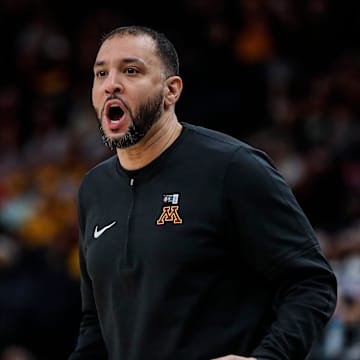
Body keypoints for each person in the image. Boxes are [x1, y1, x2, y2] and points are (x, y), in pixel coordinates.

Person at [68, 25, 337, 360]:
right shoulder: (94, 190)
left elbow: (311, 282)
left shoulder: (232, 168)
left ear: (171, 90)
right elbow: (96, 322)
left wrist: (268, 358)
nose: (111, 84)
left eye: (131, 70)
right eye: (101, 73)